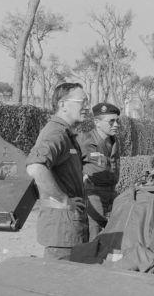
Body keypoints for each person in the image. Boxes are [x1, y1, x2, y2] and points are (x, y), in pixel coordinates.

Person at [26, 83, 90, 260]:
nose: (87, 107)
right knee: (59, 277)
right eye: (82, 102)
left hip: (68, 228)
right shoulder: (56, 132)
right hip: (62, 230)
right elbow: (35, 167)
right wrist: (63, 199)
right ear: (63, 104)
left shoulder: (65, 133)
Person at [77, 102, 121, 240]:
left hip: (111, 193)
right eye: (111, 121)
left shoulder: (114, 141)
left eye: (117, 121)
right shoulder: (84, 141)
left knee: (113, 233)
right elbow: (70, 165)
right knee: (94, 234)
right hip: (93, 195)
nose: (116, 125)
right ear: (97, 122)